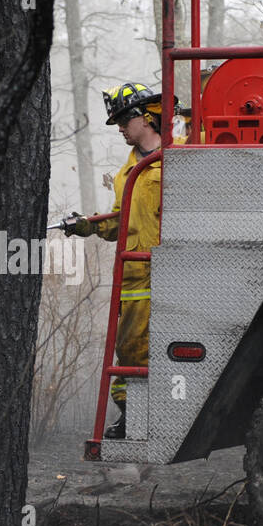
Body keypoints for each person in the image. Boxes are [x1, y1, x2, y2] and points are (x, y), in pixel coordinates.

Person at [64, 82, 172, 440]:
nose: (121, 129)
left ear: (145, 118)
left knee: (155, 348)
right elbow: (118, 223)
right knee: (129, 348)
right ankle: (134, 415)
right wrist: (86, 225)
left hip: (170, 272)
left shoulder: (180, 154)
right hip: (135, 277)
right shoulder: (128, 173)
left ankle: (152, 418)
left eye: (124, 121)